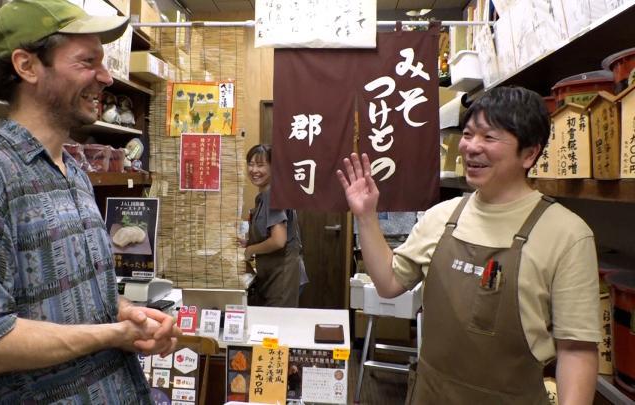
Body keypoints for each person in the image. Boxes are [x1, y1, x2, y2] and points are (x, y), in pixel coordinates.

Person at [0, 1, 179, 403]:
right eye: (87, 61)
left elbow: (57, 302)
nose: (105, 76)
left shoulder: (74, 171)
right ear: (27, 66)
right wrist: (113, 334)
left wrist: (120, 312)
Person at [337, 86, 599, 404]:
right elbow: (389, 283)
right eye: (468, 134)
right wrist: (366, 217)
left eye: (489, 138)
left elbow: (576, 350)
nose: (471, 147)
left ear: (529, 153)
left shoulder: (567, 234)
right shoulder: (441, 217)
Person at [240, 144, 307, 307]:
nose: (254, 170)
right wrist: (249, 243)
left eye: (261, 165)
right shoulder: (264, 196)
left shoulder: (272, 194)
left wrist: (250, 250)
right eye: (251, 164)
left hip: (283, 273)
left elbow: (278, 240)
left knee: (279, 326)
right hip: (272, 273)